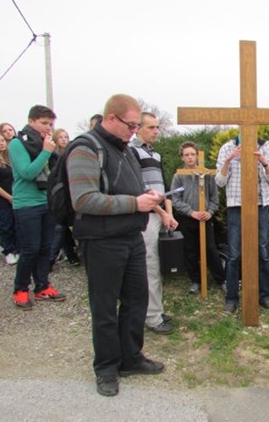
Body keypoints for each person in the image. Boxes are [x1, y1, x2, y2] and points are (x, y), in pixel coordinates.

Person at [67, 94, 165, 396]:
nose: (134, 132)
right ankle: (107, 367)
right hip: (101, 242)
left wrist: (147, 197)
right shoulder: (85, 148)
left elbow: (130, 190)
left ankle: (130, 358)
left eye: (137, 126)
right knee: (105, 308)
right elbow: (83, 199)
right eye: (131, 125)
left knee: (137, 302)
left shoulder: (126, 151)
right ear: (111, 118)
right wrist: (136, 202)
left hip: (131, 237)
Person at [8, 105, 66, 310]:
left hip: (45, 201)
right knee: (30, 249)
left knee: (45, 247)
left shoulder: (45, 144)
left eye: (51, 124)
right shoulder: (17, 144)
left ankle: (42, 286)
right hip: (26, 204)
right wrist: (45, 152)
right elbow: (27, 173)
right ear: (31, 121)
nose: (48, 128)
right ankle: (20, 288)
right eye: (44, 123)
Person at [216, 133, 269, 314]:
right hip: (237, 205)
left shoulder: (266, 147)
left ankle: (264, 296)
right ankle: (232, 299)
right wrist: (229, 160)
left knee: (263, 251)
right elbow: (219, 182)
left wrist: (264, 162)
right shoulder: (227, 147)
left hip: (260, 205)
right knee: (234, 254)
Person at [130, 112, 178, 336]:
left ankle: (155, 310)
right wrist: (160, 211)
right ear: (138, 128)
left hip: (160, 215)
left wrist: (169, 214)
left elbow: (164, 186)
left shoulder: (155, 154)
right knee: (149, 266)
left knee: (157, 265)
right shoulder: (131, 152)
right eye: (151, 127)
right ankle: (152, 317)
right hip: (146, 216)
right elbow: (138, 188)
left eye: (157, 127)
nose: (156, 131)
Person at [171, 141, 225, 294]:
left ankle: (220, 279)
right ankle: (195, 281)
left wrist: (210, 212)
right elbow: (175, 199)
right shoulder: (179, 176)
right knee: (191, 250)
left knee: (210, 249)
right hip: (188, 219)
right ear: (182, 157)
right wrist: (191, 212)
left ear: (197, 156)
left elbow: (214, 198)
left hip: (205, 218)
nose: (190, 158)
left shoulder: (207, 175)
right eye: (186, 155)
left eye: (192, 154)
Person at [49, 129, 80, 269]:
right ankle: (50, 258)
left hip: (71, 193)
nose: (64, 139)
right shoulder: (52, 156)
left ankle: (72, 254)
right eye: (60, 137)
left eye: (66, 137)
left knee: (66, 227)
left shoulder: (72, 154)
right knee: (61, 227)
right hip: (60, 194)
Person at [0, 132, 19, 264]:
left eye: (2, 140)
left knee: (17, 225)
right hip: (0, 200)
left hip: (16, 197)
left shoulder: (10, 159)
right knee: (6, 226)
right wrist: (8, 197)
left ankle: (18, 249)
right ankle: (8, 250)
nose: (1, 143)